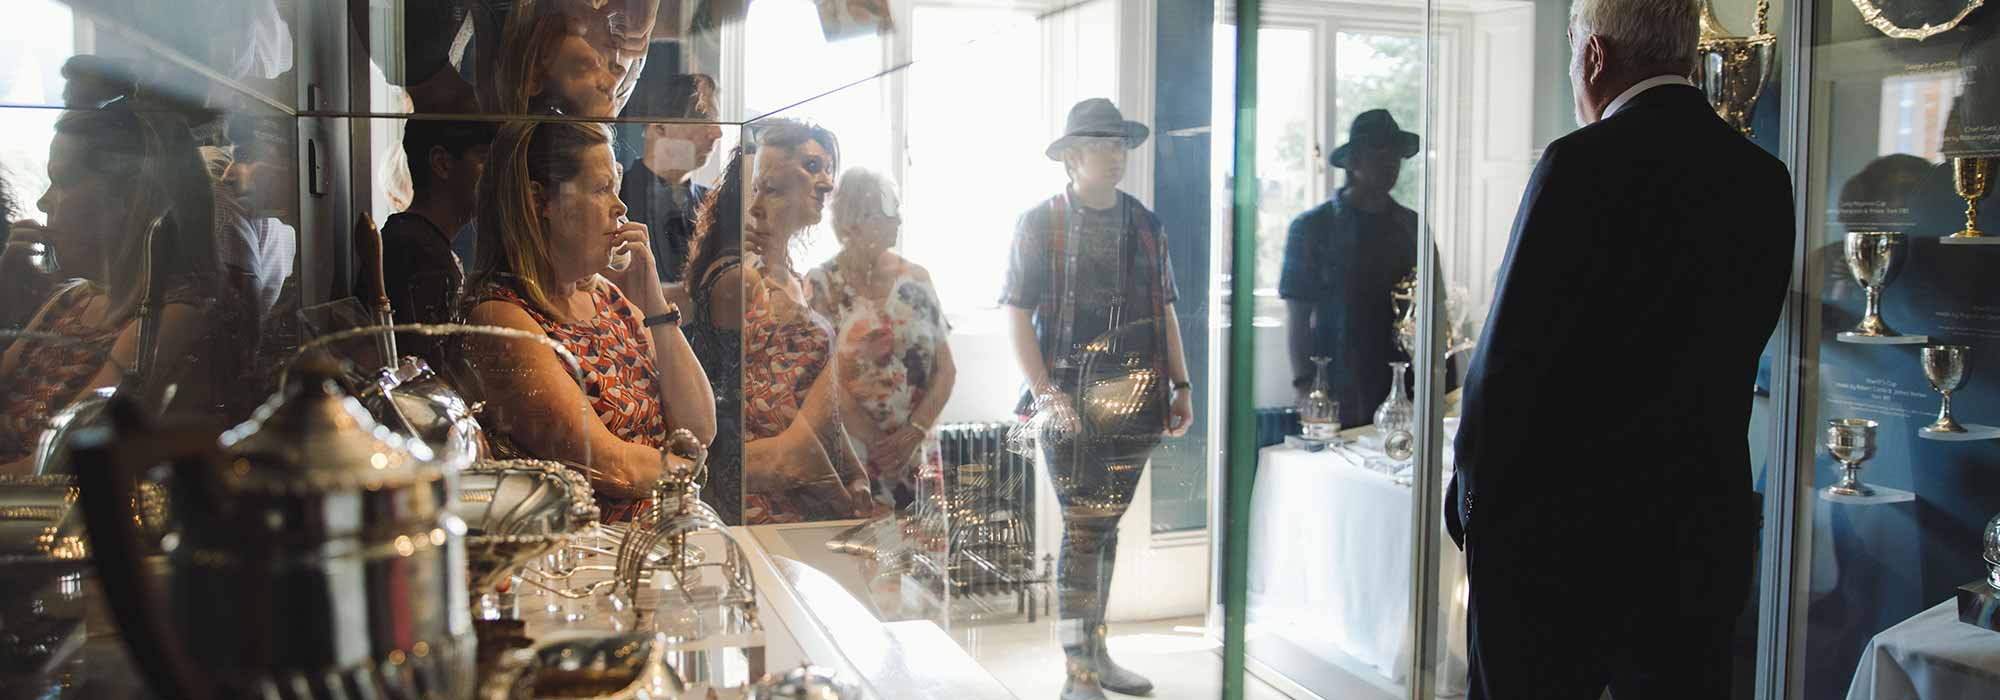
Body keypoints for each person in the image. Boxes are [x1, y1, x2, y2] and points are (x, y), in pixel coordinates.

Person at [1447, 0, 1795, 696]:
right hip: (1698, 532)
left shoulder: (1578, 164)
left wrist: (1471, 502)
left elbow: (1508, 363)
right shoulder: (1763, 178)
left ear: (1595, 58)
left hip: (1560, 546)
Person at [1001, 98, 1193, 700]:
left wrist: (1181, 385)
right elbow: (1017, 310)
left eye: (1120, 145)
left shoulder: (1146, 224)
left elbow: (1164, 309)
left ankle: (1097, 654)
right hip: (1067, 400)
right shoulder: (1040, 223)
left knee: (1104, 530)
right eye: (1102, 145)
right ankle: (1078, 671)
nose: (1115, 155)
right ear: (1073, 157)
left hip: (1135, 398)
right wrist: (1045, 393)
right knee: (1085, 530)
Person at [460, 120, 715, 521]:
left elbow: (700, 428)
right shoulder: (501, 317)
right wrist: (687, 467)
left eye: (615, 186)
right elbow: (612, 467)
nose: (620, 206)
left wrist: (654, 302)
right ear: (538, 202)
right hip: (581, 560)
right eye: (601, 189)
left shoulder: (605, 297)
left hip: (654, 544)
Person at [0, 93, 230, 469]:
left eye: (61, 181)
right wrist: (4, 292)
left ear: (129, 196)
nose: (43, 202)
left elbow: (56, 461)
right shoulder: (75, 297)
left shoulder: (167, 316)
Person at [734, 119, 875, 523]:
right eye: (812, 166)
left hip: (806, 493)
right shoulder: (743, 277)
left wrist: (854, 473)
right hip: (765, 502)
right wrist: (837, 494)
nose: (827, 182)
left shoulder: (796, 279)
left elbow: (811, 399)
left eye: (828, 168)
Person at [807, 168, 956, 507]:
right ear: (854, 221)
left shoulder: (917, 280)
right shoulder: (820, 285)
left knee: (919, 557)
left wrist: (912, 434)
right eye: (889, 213)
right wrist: (878, 443)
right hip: (853, 456)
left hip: (914, 456)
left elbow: (947, 370)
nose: (899, 222)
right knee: (855, 556)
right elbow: (820, 378)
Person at [1280, 108, 1426, 428]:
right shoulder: (1312, 228)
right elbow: (1298, 315)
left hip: (1399, 380)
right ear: (1354, 161)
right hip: (1335, 378)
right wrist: (1305, 385)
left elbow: (1435, 312)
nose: (1389, 164)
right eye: (1378, 152)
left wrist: (1439, 386)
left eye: (1394, 155)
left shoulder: (1412, 228)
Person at [380, 119, 497, 326]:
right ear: (442, 163)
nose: (496, 177)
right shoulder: (419, 253)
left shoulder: (419, 242)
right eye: (486, 162)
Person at [622, 74, 722, 283]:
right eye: (704, 118)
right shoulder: (619, 196)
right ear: (659, 126)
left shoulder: (715, 203)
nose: (718, 132)